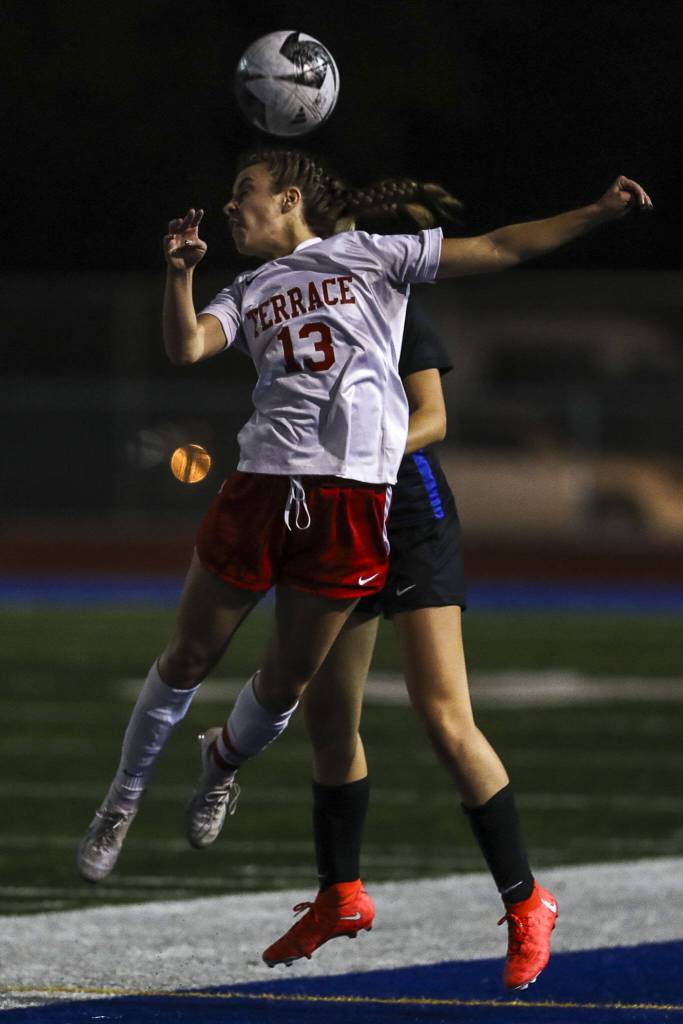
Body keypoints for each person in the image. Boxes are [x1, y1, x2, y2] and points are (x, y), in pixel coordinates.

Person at [77, 149, 651, 987]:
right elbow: (190, 345)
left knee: (431, 714)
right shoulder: (250, 289)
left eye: (247, 194)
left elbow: (490, 262)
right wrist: (179, 278)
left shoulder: (376, 265)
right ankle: (321, 883)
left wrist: (595, 212)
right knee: (312, 710)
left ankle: (524, 899)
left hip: (387, 511)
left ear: (299, 200)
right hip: (279, 491)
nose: (232, 208)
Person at [253, 296, 550, 990]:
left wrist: (356, 454)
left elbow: (434, 418)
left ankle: (527, 901)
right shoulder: (275, 311)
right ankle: (340, 897)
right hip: (331, 519)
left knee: (445, 716)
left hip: (409, 517)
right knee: (329, 720)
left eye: (254, 193)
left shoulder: (383, 302)